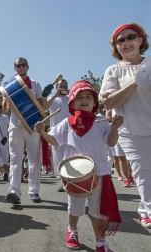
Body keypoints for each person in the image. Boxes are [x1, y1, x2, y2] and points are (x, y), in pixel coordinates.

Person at [35, 80, 123, 252]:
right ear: (72, 102)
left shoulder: (102, 121)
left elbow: (112, 143)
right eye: (79, 97)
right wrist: (42, 132)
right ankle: (72, 231)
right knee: (75, 208)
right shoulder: (67, 123)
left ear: (95, 102)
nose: (84, 100)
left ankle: (100, 243)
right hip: (76, 174)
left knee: (98, 212)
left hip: (99, 173)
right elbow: (55, 141)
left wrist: (114, 129)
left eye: (88, 97)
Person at [100, 23, 151, 229]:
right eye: (120, 40)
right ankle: (148, 211)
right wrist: (135, 82)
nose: (126, 42)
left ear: (141, 40)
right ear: (116, 47)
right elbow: (109, 102)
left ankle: (144, 208)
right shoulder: (113, 70)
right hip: (131, 129)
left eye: (131, 37)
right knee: (143, 171)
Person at [4, 57, 46, 205]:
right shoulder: (10, 86)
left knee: (34, 159)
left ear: (27, 67)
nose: (21, 67)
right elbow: (5, 109)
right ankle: (14, 191)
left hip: (33, 125)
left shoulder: (35, 85)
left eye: (23, 65)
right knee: (15, 159)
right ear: (14, 68)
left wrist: (45, 98)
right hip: (15, 126)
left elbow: (42, 105)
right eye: (18, 65)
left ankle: (34, 191)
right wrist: (6, 102)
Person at [43, 79, 70, 191]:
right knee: (59, 158)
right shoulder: (52, 100)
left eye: (65, 86)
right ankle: (64, 182)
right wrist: (55, 95)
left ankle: (72, 181)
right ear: (57, 88)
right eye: (60, 86)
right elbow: (44, 108)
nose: (63, 88)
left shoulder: (71, 99)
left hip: (70, 131)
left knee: (70, 156)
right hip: (57, 133)